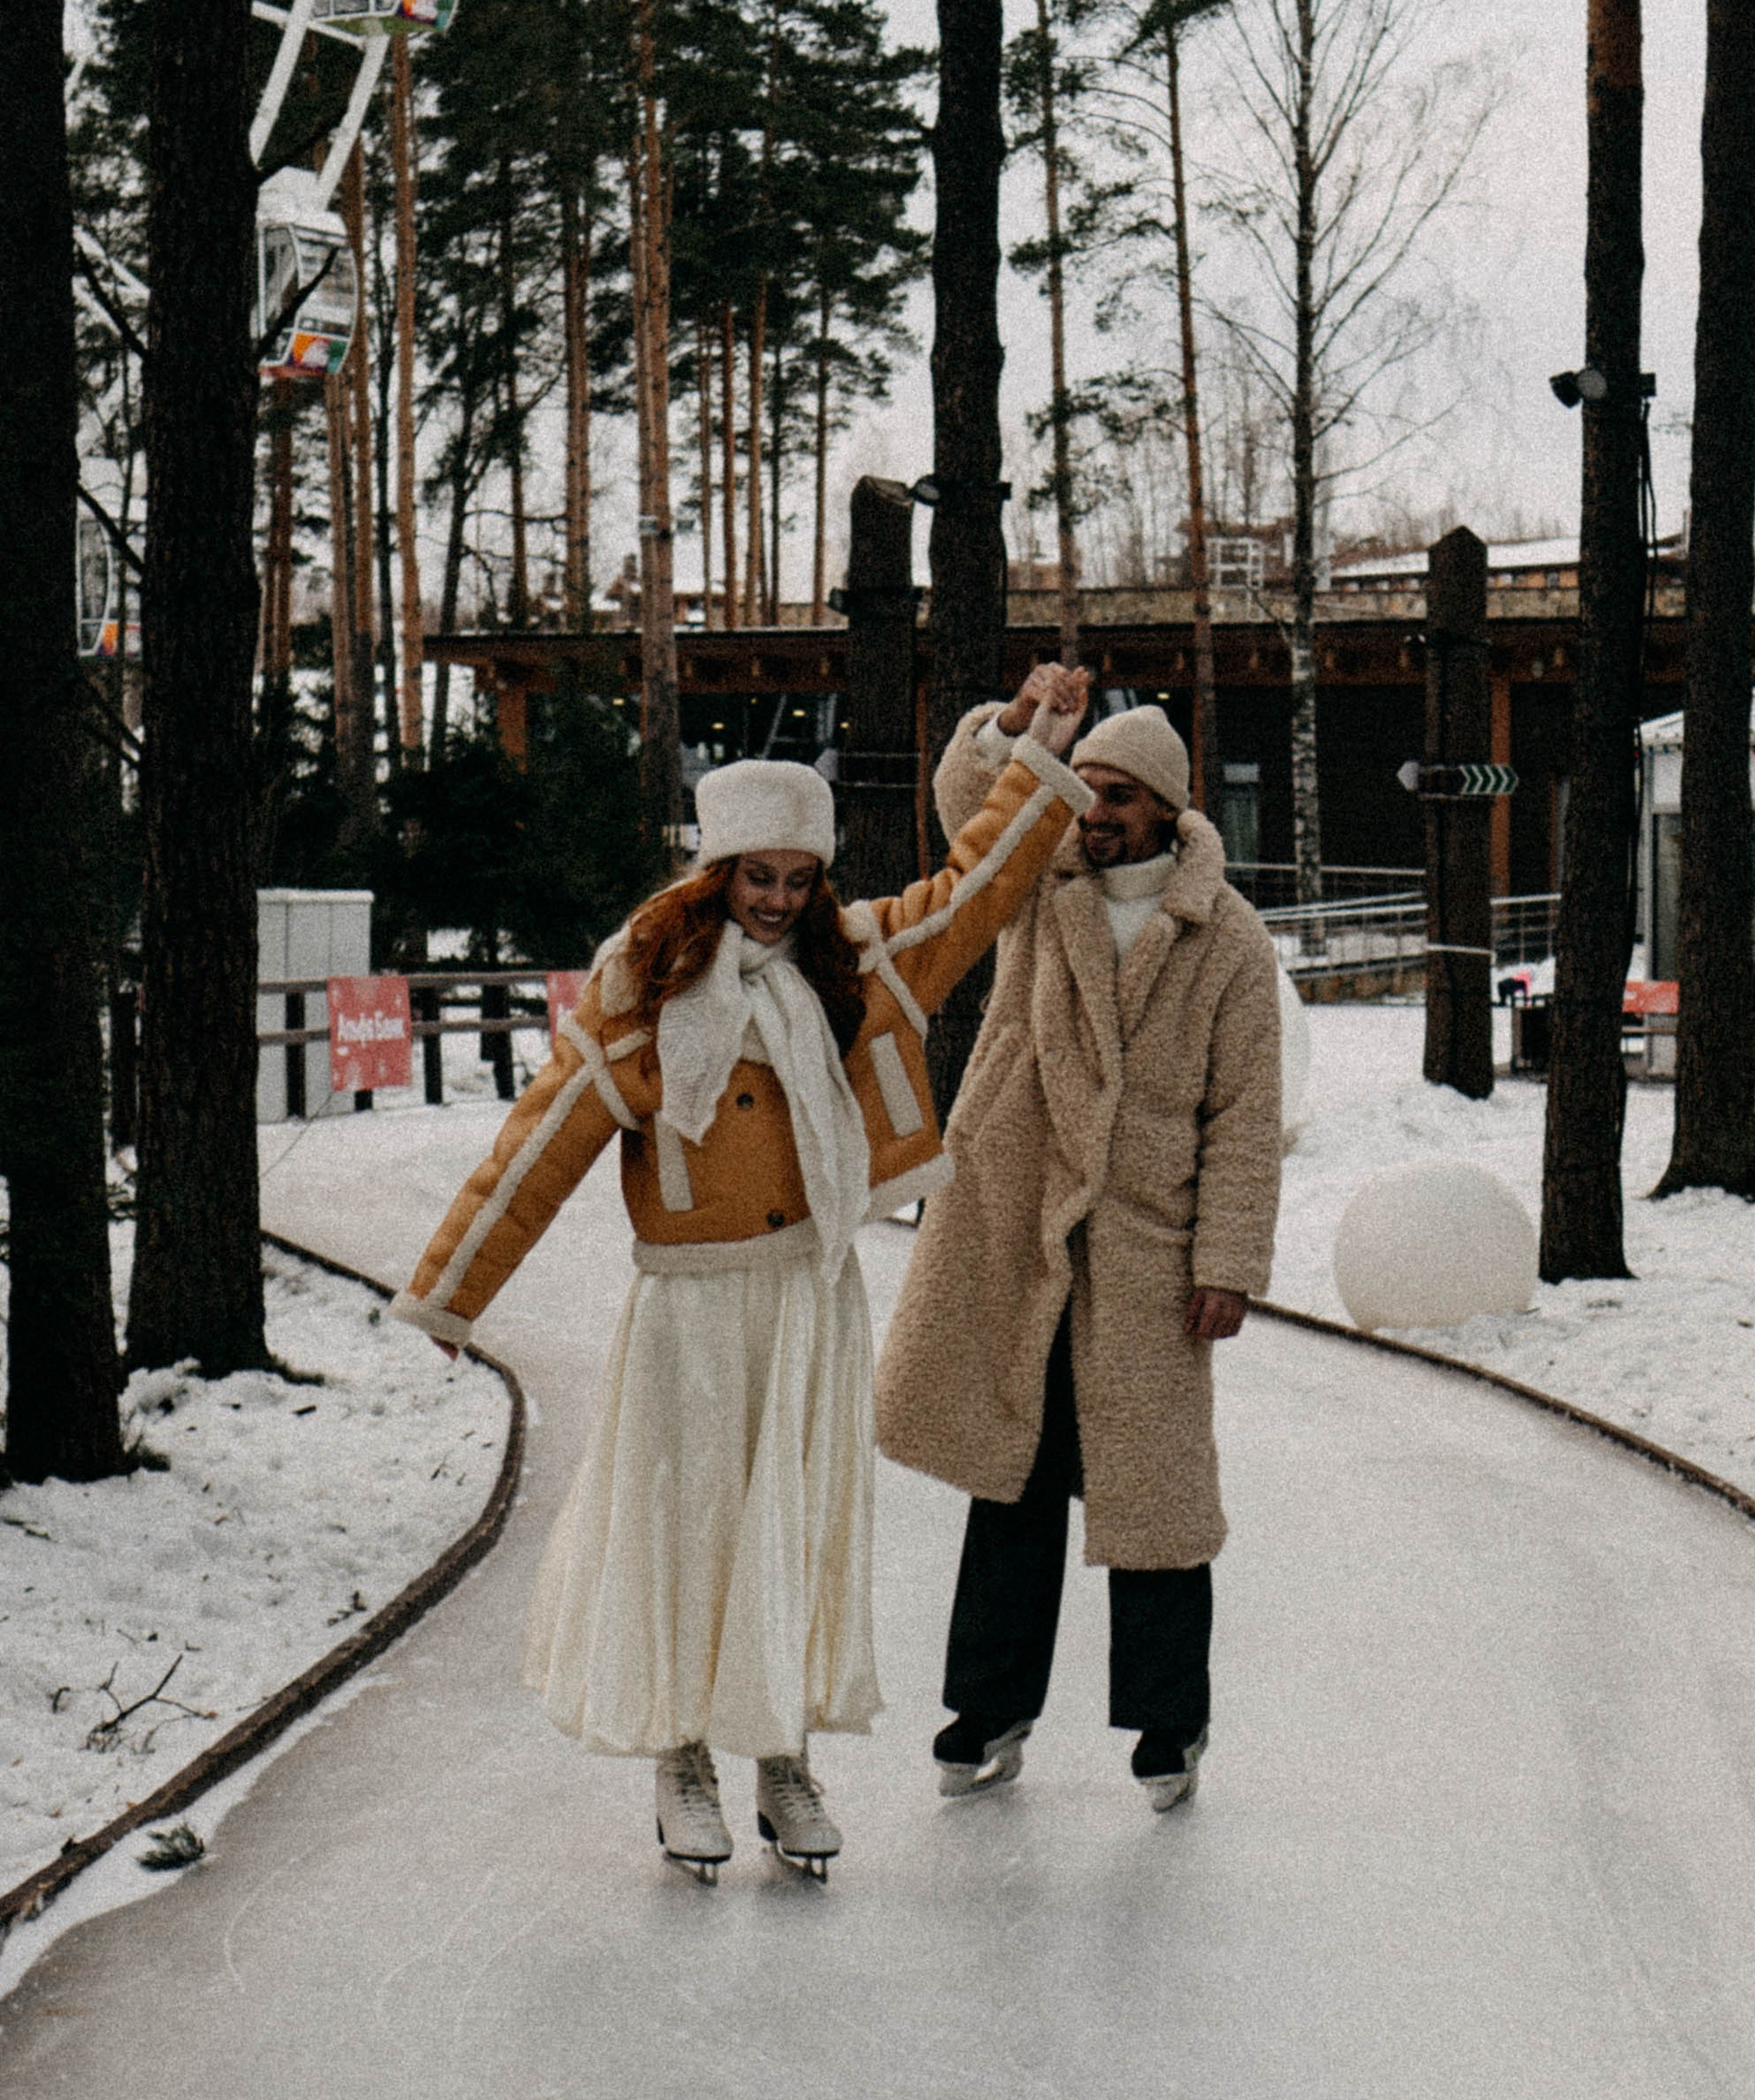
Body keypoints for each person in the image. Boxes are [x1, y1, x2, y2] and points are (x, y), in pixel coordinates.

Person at [391, 664, 1095, 1883]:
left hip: (810, 1299)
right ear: (715, 872)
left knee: (793, 1533)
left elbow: (978, 889)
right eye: (755, 878)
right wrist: (453, 1292)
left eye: (797, 878)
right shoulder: (645, 991)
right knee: (692, 1529)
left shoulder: (859, 968)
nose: (775, 901)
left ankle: (780, 1757)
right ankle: (682, 1759)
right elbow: (540, 1146)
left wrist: (1035, 753)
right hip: (693, 1309)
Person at [877, 693, 1283, 1812]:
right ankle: (988, 1704)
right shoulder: (1034, 886)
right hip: (1017, 1217)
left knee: (1152, 1488)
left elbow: (1244, 1115)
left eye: (1117, 797)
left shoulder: (1227, 937)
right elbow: (970, 804)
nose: (1091, 815)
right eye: (1085, 791)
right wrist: (1016, 728)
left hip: (1146, 1240)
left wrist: (1228, 1261)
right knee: (1010, 1474)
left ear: (1164, 810)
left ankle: (1169, 1723)